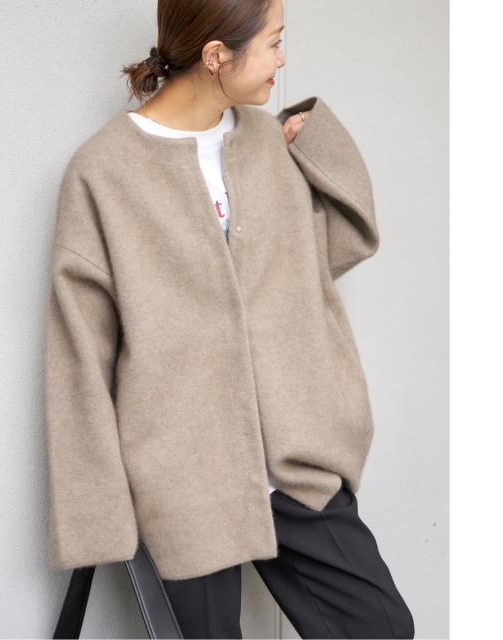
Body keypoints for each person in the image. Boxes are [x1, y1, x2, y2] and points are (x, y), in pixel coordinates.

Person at [44, 0, 415, 637]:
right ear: (217, 55)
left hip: (295, 467)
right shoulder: (103, 171)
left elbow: (331, 253)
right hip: (184, 479)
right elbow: (80, 353)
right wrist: (100, 514)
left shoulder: (269, 144)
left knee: (381, 628)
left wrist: (319, 143)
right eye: (273, 42)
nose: (282, 59)